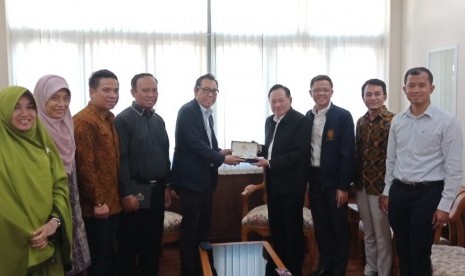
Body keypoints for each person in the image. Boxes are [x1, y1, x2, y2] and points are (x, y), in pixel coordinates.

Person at [380, 67, 463, 276]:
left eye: (421, 85)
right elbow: (391, 159)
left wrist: (445, 205)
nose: (416, 90)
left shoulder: (447, 122)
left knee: (420, 252)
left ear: (431, 88)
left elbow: (454, 168)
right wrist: (387, 192)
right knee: (403, 250)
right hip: (399, 192)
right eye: (411, 85)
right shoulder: (398, 121)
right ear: (404, 89)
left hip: (427, 194)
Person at [172, 73, 243, 276]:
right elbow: (194, 144)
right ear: (196, 91)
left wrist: (223, 151)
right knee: (190, 230)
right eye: (206, 90)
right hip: (190, 181)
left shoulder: (206, 113)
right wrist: (221, 160)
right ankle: (189, 270)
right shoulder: (187, 111)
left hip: (204, 181)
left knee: (202, 227)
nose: (211, 94)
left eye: (214, 91)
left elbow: (207, 145)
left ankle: (202, 267)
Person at [0, 86, 72, 275]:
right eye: (16, 107)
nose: (25, 113)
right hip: (10, 246)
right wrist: (29, 232)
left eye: (30, 107)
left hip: (48, 244)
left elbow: (60, 187)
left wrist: (53, 224)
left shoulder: (44, 145)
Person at [114, 73, 172, 275]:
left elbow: (165, 155)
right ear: (133, 92)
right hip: (136, 189)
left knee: (153, 244)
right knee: (130, 245)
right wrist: (126, 193)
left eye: (154, 90)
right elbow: (121, 159)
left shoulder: (159, 120)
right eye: (145, 90)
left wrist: (166, 186)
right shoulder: (123, 120)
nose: (151, 94)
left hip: (157, 190)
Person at [33, 74, 92, 276]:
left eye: (65, 98)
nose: (62, 104)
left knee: (74, 248)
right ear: (41, 99)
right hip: (48, 203)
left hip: (71, 197)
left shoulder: (68, 125)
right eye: (54, 98)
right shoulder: (34, 130)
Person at [253, 84, 311, 276]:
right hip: (273, 185)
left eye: (281, 100)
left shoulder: (301, 121)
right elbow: (271, 148)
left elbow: (299, 154)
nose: (277, 105)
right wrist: (255, 150)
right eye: (273, 101)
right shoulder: (269, 121)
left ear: (290, 100)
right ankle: (279, 265)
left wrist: (269, 163)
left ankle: (293, 269)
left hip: (292, 186)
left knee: (292, 230)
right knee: (276, 228)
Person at [74, 69, 122, 276]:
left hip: (112, 201)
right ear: (92, 92)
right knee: (98, 257)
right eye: (106, 90)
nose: (113, 95)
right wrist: (98, 201)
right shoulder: (84, 121)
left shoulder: (109, 118)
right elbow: (86, 166)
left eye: (116, 90)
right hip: (96, 206)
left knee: (109, 254)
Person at [306, 75, 354, 276]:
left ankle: (338, 270)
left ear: (331, 92)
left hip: (335, 182)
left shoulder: (342, 116)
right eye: (317, 90)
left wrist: (343, 187)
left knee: (338, 227)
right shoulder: (307, 117)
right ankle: (325, 267)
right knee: (322, 227)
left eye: (325, 89)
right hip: (314, 179)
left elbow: (347, 153)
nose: (321, 93)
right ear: (311, 93)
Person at [354, 79, 394, 276]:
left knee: (382, 234)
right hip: (361, 186)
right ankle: (371, 269)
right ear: (363, 97)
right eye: (368, 94)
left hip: (381, 188)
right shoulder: (360, 122)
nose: (373, 98)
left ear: (385, 96)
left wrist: (389, 190)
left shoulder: (393, 121)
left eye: (377, 94)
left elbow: (396, 158)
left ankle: (384, 272)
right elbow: (357, 153)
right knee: (368, 231)